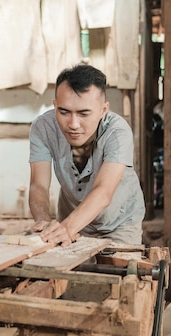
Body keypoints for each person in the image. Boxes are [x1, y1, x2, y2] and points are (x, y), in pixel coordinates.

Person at [28, 64, 145, 247]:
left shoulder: (118, 132)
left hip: (120, 223)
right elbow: (38, 185)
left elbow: (103, 192)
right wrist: (43, 222)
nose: (73, 124)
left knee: (123, 271)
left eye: (84, 113)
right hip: (70, 217)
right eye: (64, 112)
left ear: (103, 110)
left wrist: (65, 229)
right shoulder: (43, 127)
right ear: (55, 105)